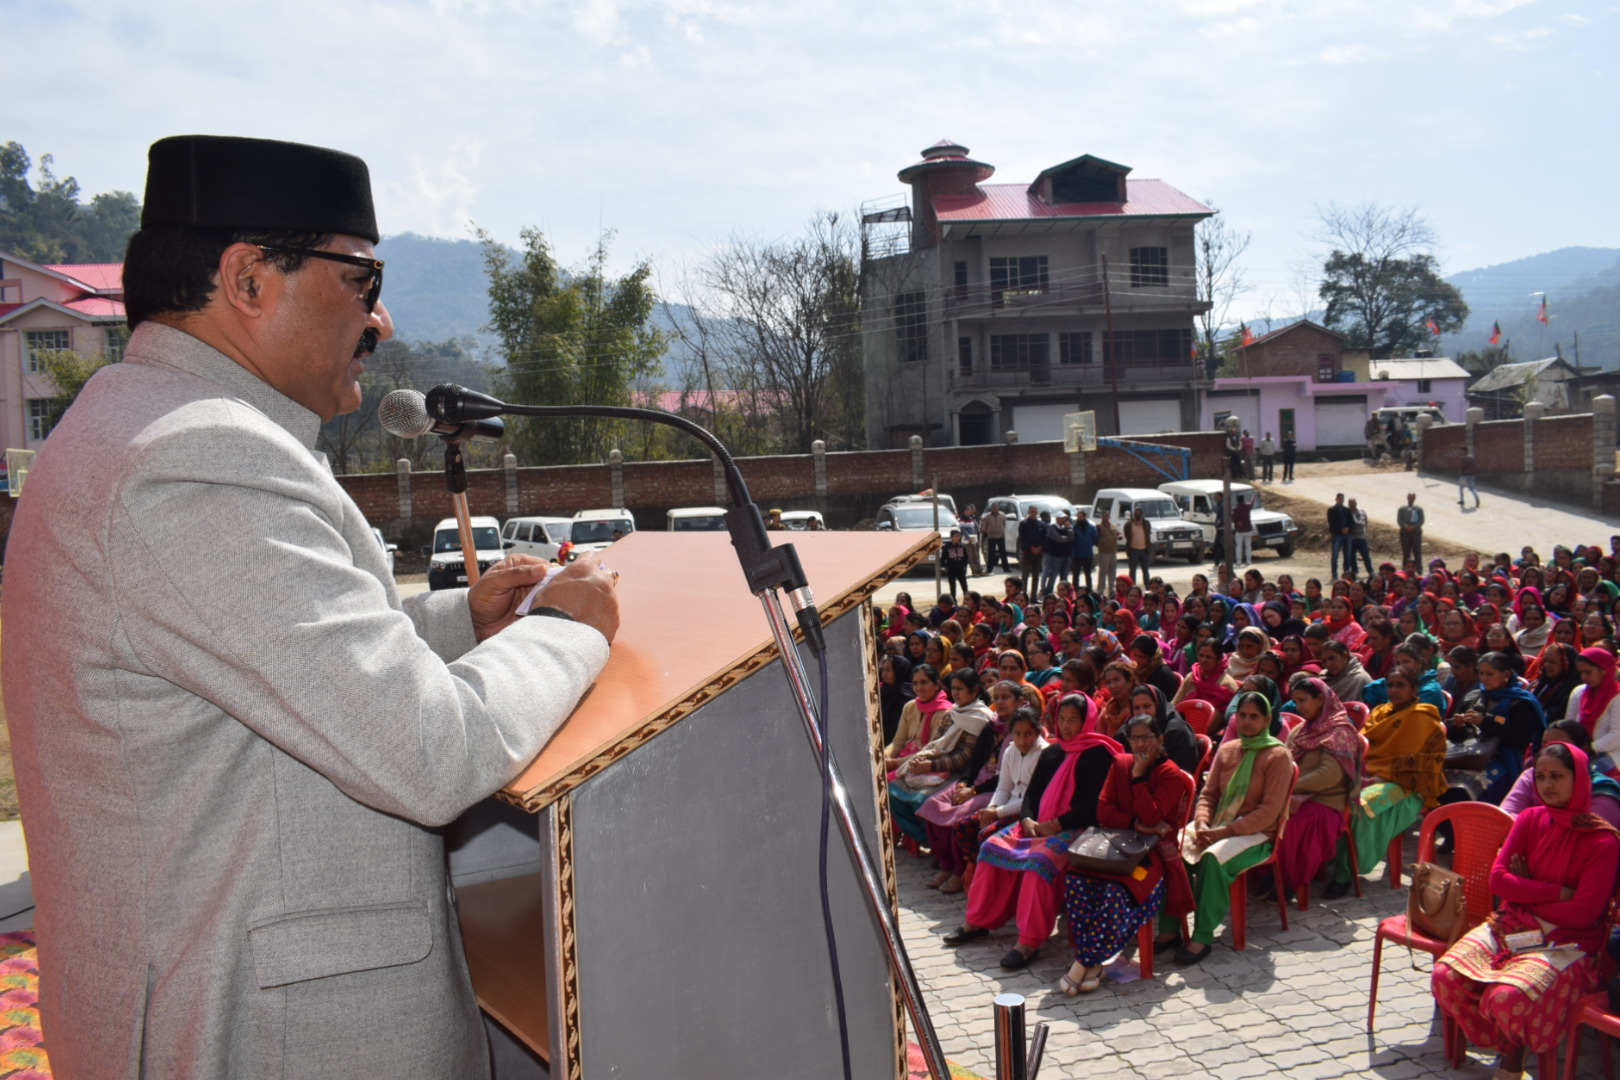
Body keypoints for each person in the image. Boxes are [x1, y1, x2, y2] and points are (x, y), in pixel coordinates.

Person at [0, 135, 623, 1076]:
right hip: (270, 1032)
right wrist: (569, 626)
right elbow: (429, 749)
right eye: (363, 280)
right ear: (248, 277)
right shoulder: (195, 456)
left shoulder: (145, 426)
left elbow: (259, 666)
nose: (381, 320)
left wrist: (467, 625)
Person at [1433, 744, 1620, 1080]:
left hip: (1569, 942)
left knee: (1506, 997)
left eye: (1558, 776)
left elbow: (1582, 914)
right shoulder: (1531, 819)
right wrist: (1556, 892)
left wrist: (1525, 888)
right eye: (1541, 776)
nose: (1547, 785)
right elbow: (1498, 881)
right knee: (1446, 976)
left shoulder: (1602, 841)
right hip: (1512, 924)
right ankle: (1504, 1041)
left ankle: (1510, 1061)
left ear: (1579, 780)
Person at [942, 696, 1118, 969]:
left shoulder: (1099, 754)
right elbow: (1033, 794)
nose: (1066, 725)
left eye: (1073, 719)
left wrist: (1057, 824)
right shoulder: (1054, 753)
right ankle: (977, 921)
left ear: (1088, 720)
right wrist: (1027, 820)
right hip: (1039, 824)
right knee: (990, 847)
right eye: (1061, 718)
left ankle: (1028, 940)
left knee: (1039, 863)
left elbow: (1095, 804)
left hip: (1078, 828)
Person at [1058, 712, 1195, 994]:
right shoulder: (1120, 763)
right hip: (1115, 845)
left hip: (1151, 855)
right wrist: (1135, 823)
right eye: (1135, 738)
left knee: (1115, 891)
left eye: (1147, 737)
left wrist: (1138, 778)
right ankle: (1093, 963)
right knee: (1075, 878)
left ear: (1160, 739)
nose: (1141, 744)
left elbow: (1154, 814)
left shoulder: (1170, 774)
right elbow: (1103, 810)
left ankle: (1083, 963)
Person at [1173, 691, 1293, 964]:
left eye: (1254, 716)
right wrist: (1202, 822)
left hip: (1258, 834)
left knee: (1213, 859)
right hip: (1217, 825)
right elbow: (1209, 795)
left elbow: (1268, 812)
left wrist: (1221, 833)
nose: (1247, 721)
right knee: (1171, 849)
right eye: (1242, 715)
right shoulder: (1228, 749)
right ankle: (1170, 931)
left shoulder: (1277, 755)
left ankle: (1202, 935)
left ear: (1267, 720)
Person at [1328, 668, 1446, 898]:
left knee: (1361, 806)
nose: (1394, 690)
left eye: (1401, 685)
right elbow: (1360, 748)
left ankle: (1346, 873)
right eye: (1390, 685)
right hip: (1369, 774)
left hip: (1408, 786)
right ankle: (1324, 860)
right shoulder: (1380, 713)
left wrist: (1378, 778)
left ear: (1414, 689)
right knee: (1329, 794)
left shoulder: (1423, 718)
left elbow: (1424, 766)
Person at [1276, 678, 1362, 902]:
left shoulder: (1340, 731)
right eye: (1295, 701)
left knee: (1288, 825)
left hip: (1327, 801)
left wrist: (1288, 784)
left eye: (1303, 700)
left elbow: (1329, 776)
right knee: (1262, 814)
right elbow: (1284, 761)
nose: (1298, 707)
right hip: (1296, 794)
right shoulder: (1302, 729)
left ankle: (1287, 880)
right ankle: (1268, 873)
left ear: (1321, 699)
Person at [1499, 720, 1620, 828]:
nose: (1547, 785)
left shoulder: (1602, 792)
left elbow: (1591, 838)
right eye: (1545, 744)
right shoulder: (1532, 775)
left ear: (1583, 751)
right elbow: (1505, 817)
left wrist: (1524, 830)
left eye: (1557, 776)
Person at [1569, 647, 1620, 775]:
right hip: (1580, 751)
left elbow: (1617, 735)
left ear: (1604, 670)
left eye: (1588, 672)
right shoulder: (1579, 692)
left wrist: (1590, 748)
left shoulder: (1617, 697)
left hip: (1612, 754)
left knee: (1587, 775)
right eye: (1581, 673)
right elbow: (1569, 724)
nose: (1584, 677)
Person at [1041, 512, 1076, 598]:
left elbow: (1072, 538)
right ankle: (1048, 592)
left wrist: (1069, 529)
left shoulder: (1067, 527)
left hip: (1066, 555)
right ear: (1057, 519)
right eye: (1061, 518)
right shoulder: (1052, 527)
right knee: (1053, 574)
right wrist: (1067, 538)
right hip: (1056, 555)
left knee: (1064, 575)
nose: (1064, 520)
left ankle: (1065, 593)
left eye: (1065, 518)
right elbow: (1058, 538)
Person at [1017, 505, 1046, 598]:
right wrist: (1032, 548)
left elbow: (1045, 538)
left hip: (1038, 553)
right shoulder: (1023, 524)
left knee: (1036, 575)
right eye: (1032, 512)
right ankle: (1023, 596)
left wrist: (1040, 547)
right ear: (1029, 512)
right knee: (1025, 575)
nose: (1034, 513)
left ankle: (1033, 597)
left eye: (1035, 512)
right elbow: (1023, 538)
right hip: (1027, 553)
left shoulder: (1042, 524)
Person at [1124, 507, 1153, 586]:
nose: (1136, 515)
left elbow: (1148, 534)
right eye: (1135, 513)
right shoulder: (1129, 524)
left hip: (1144, 550)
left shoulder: (1146, 523)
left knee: (1145, 570)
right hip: (1133, 550)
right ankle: (1132, 586)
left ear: (1141, 514)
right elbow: (1127, 535)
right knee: (1132, 570)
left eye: (1138, 513)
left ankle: (1148, 586)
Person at [1072, 509, 1099, 593]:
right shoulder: (1073, 528)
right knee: (1075, 575)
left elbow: (1095, 540)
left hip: (1088, 555)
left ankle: (1089, 590)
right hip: (1076, 555)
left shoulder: (1091, 528)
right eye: (1078, 517)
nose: (1079, 518)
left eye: (1081, 517)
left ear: (1085, 517)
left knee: (1088, 575)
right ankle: (1075, 591)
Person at [1328, 494, 1353, 580]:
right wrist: (1340, 529)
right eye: (1339, 499)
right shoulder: (1332, 510)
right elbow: (1331, 523)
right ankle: (1334, 573)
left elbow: (1351, 521)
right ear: (1336, 499)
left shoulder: (1347, 510)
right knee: (1335, 555)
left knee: (1347, 554)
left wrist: (1348, 528)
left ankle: (1346, 572)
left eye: (1342, 499)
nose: (1341, 500)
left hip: (1347, 535)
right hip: (1337, 535)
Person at [940, 529, 971, 601]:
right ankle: (953, 600)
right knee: (952, 586)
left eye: (959, 536)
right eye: (956, 536)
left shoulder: (962, 546)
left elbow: (966, 557)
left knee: (964, 585)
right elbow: (943, 558)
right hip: (951, 569)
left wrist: (964, 566)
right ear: (951, 537)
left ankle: (966, 600)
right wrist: (945, 566)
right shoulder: (947, 547)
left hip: (960, 568)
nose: (958, 538)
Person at [1397, 493, 1425, 570]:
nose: (1410, 499)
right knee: (1406, 553)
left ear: (1414, 498)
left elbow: (1421, 520)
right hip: (1405, 533)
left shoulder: (1418, 509)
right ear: (1407, 498)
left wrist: (1414, 527)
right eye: (1409, 497)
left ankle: (1419, 570)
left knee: (1417, 553)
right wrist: (1406, 526)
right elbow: (1399, 520)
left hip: (1415, 533)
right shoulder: (1402, 509)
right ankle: (1405, 569)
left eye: (1412, 497)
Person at [1348, 498, 1374, 577]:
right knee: (1352, 556)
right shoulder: (1347, 513)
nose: (1352, 504)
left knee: (1365, 555)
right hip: (1352, 538)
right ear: (1349, 504)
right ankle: (1355, 571)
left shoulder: (1362, 512)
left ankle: (1370, 571)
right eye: (1351, 503)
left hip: (1362, 538)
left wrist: (1366, 534)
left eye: (1354, 503)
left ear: (1356, 503)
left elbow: (1366, 523)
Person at [981, 503, 1010, 573]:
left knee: (1003, 553)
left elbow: (1004, 524)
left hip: (1001, 537)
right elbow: (985, 527)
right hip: (991, 537)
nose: (995, 508)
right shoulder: (988, 516)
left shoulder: (1002, 515)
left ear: (998, 508)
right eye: (994, 507)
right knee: (991, 554)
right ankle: (989, 569)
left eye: (996, 507)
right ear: (992, 508)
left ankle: (1006, 569)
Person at [1096, 509, 1120, 590]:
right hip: (1104, 552)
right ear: (1102, 517)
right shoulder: (1099, 527)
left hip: (1113, 552)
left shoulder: (1113, 526)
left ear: (1109, 517)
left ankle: (1111, 590)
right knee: (1103, 573)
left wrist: (1119, 536)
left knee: (1112, 572)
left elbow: (1118, 533)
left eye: (1107, 516)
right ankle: (1101, 591)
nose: (1105, 517)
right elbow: (1095, 538)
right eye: (1104, 516)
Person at [959, 503, 984, 576]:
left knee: (976, 555)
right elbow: (963, 530)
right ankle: (974, 571)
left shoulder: (972, 518)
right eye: (970, 510)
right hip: (968, 540)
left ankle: (980, 570)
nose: (971, 512)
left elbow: (975, 528)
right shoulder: (962, 519)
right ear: (966, 511)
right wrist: (968, 538)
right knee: (971, 556)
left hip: (974, 539)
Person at [1232, 493, 1254, 567]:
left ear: (1237, 501)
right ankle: (1248, 560)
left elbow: (1233, 519)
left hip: (1239, 530)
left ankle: (1239, 561)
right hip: (1248, 528)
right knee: (1248, 546)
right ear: (1243, 499)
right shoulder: (1247, 507)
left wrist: (1237, 522)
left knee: (1239, 546)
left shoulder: (1236, 509)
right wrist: (1252, 496)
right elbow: (1251, 503)